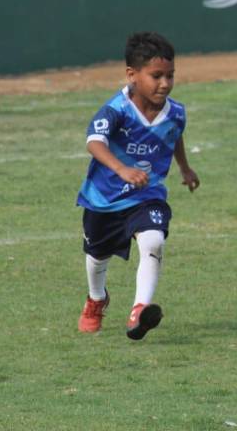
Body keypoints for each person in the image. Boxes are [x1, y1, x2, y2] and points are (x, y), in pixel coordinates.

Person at [76, 32, 200, 340]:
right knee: (96, 257)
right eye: (156, 76)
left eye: (170, 75)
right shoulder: (116, 109)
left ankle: (139, 309)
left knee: (154, 240)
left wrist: (184, 167)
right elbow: (94, 142)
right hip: (104, 199)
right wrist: (122, 169)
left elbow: (174, 134)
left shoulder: (176, 112)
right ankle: (96, 299)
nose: (165, 83)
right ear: (132, 75)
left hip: (148, 194)